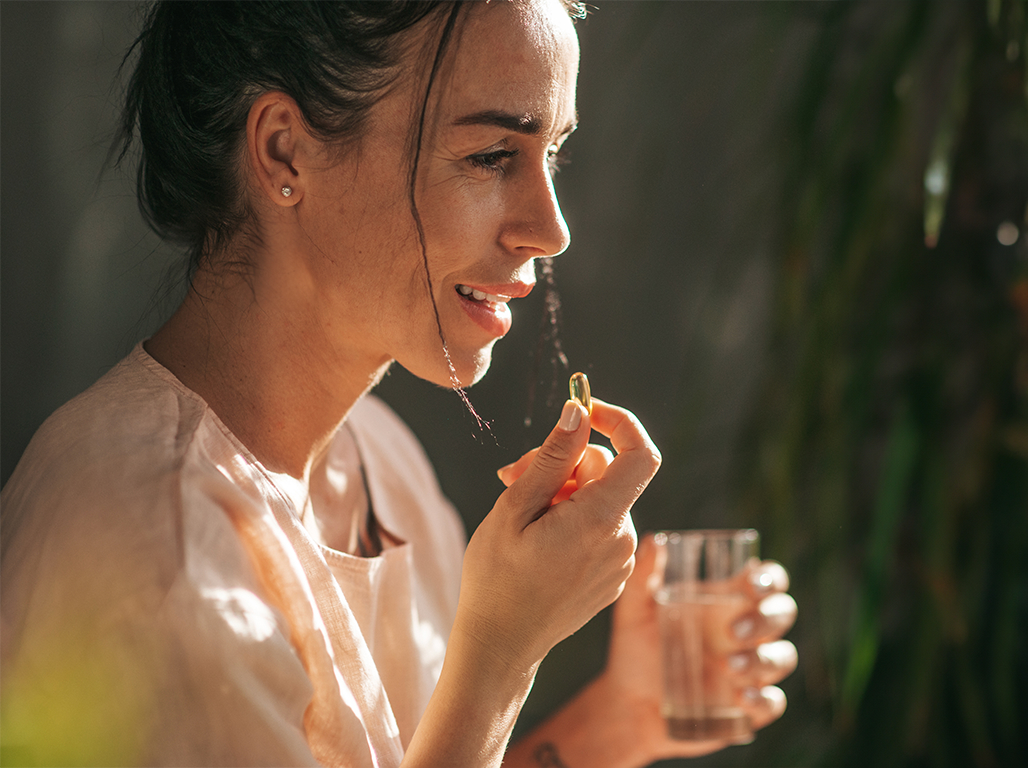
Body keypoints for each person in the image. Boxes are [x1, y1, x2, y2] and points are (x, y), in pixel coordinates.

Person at [0, 1, 797, 766]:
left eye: (551, 154)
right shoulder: (156, 552)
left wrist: (615, 723)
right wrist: (501, 653)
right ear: (284, 152)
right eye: (492, 156)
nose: (551, 229)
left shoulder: (381, 461)